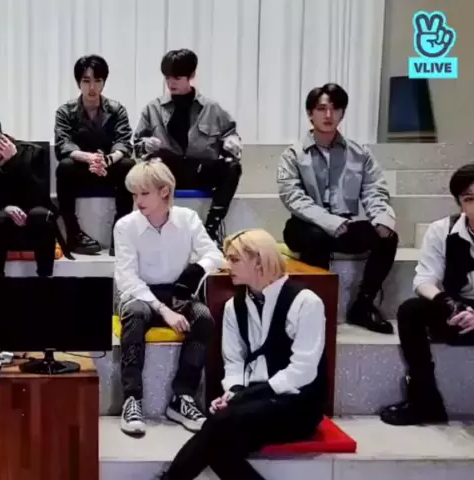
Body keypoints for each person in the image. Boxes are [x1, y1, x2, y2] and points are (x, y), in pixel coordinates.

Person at [161, 229, 326, 480]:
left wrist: (246, 396)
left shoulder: (306, 302)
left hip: (297, 404)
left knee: (216, 427)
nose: (227, 266)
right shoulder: (234, 306)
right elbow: (234, 361)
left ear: (259, 261)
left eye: (234, 259)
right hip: (254, 403)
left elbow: (303, 370)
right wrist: (234, 392)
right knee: (219, 446)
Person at [114, 160, 225, 436]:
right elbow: (127, 278)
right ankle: (132, 399)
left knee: (203, 318)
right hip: (139, 293)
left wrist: (196, 270)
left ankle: (182, 397)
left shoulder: (187, 218)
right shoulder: (125, 225)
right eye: (134, 194)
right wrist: (163, 310)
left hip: (177, 292)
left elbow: (215, 255)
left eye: (144, 193)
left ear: (164, 191)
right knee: (136, 314)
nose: (137, 201)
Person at [277, 83, 398, 334]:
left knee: (387, 237)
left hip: (345, 224)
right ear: (310, 114)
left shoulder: (359, 153)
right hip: (305, 225)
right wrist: (329, 222)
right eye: (322, 109)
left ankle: (363, 305)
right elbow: (293, 197)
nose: (328, 115)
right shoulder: (293, 155)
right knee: (316, 237)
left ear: (342, 113)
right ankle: (314, 309)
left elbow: (374, 189)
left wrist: (381, 217)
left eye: (335, 109)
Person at [380, 164, 474, 426]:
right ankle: (425, 401)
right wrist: (450, 304)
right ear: (460, 204)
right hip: (458, 308)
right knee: (411, 310)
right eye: (469, 199)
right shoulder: (442, 230)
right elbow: (424, 280)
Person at [133, 49, 242, 245]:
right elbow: (137, 145)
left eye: (177, 77)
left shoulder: (211, 108)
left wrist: (232, 142)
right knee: (152, 165)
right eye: (167, 77)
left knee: (232, 166)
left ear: (191, 76)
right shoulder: (153, 108)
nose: (171, 83)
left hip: (200, 169)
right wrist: (145, 145)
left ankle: (211, 228)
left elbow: (230, 133)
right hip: (166, 171)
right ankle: (156, 228)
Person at [0, 109, 66, 277]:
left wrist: (15, 162)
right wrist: (5, 208)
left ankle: (45, 281)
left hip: (34, 225)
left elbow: (40, 198)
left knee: (41, 215)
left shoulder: (33, 153)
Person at [54, 54, 135, 255]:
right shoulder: (65, 111)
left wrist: (107, 159)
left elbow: (124, 142)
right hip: (82, 169)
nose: (92, 87)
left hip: (108, 168)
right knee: (64, 167)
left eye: (97, 81)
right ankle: (74, 234)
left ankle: (120, 234)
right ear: (78, 83)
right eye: (86, 81)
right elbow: (63, 145)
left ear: (104, 82)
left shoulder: (116, 110)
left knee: (128, 165)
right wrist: (89, 158)